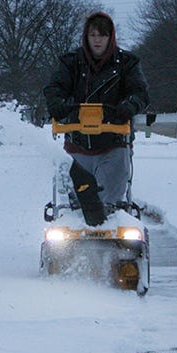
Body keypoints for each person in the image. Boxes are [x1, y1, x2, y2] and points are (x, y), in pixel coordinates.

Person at [43, 11, 150, 208]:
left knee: (109, 198)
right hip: (77, 142)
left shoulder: (127, 63)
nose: (97, 40)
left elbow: (140, 92)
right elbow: (55, 87)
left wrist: (128, 106)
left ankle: (110, 220)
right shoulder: (71, 62)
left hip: (114, 143)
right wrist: (56, 104)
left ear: (110, 37)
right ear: (86, 36)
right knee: (77, 201)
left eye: (102, 35)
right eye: (93, 35)